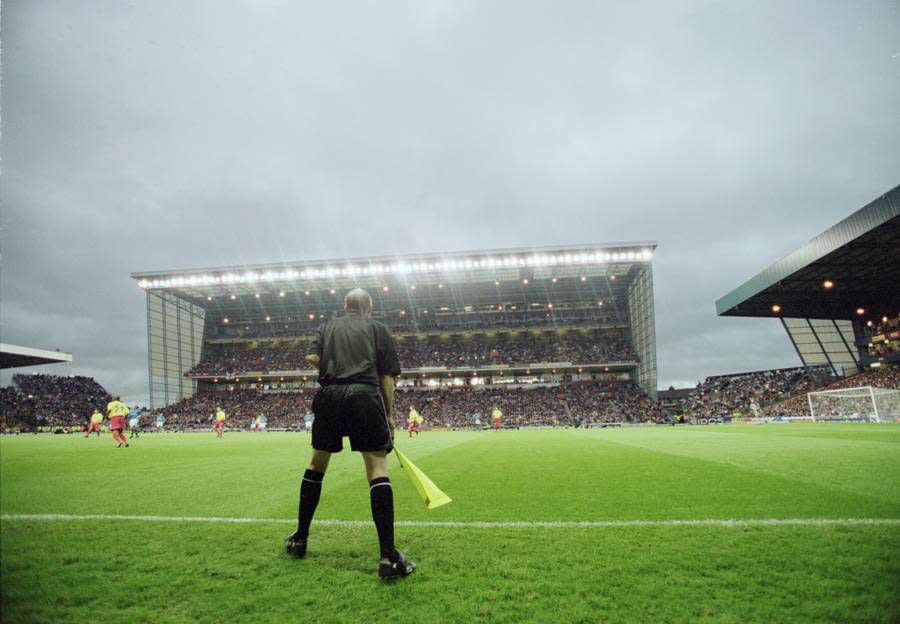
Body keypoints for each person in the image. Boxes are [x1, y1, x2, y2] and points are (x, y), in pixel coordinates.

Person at [284, 288, 415, 580]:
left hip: (329, 395)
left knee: (316, 464)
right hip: (364, 395)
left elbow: (311, 356)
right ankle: (388, 558)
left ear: (346, 306)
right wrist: (390, 415)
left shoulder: (327, 325)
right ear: (368, 307)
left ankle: (300, 539)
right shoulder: (377, 328)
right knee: (377, 468)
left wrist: (333, 365)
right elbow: (386, 376)